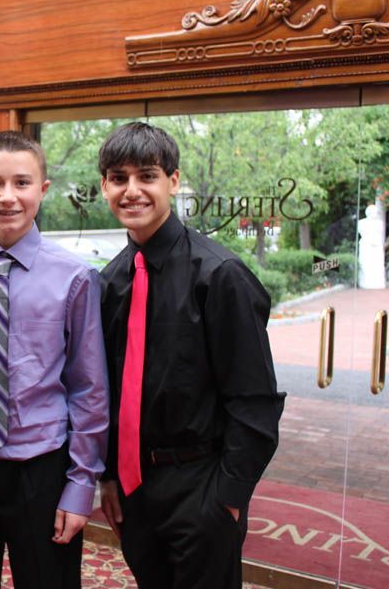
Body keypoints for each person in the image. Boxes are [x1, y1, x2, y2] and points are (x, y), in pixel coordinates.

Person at [97, 121, 285, 588]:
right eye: (119, 178)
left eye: (147, 176)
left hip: (202, 485)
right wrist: (108, 478)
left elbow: (255, 401)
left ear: (173, 182)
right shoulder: (111, 280)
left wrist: (228, 496)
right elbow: (105, 390)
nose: (132, 190)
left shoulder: (221, 276)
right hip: (134, 487)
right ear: (104, 186)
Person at [0, 130, 108, 589]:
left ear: (43, 189)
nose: (7, 196)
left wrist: (80, 486)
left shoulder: (75, 277)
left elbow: (89, 388)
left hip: (42, 467)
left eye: (21, 183)